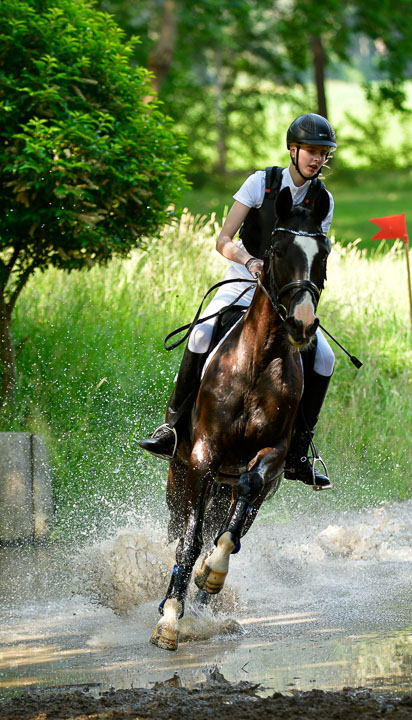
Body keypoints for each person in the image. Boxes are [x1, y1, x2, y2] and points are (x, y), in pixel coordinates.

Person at [140, 113, 337, 489]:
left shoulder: (323, 200)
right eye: (311, 151)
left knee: (324, 357)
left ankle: (298, 449)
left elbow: (314, 255)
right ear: (292, 150)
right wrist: (249, 261)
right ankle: (172, 426)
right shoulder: (260, 183)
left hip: (284, 293)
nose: (316, 159)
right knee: (199, 336)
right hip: (244, 280)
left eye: (323, 153)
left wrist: (304, 292)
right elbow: (223, 239)